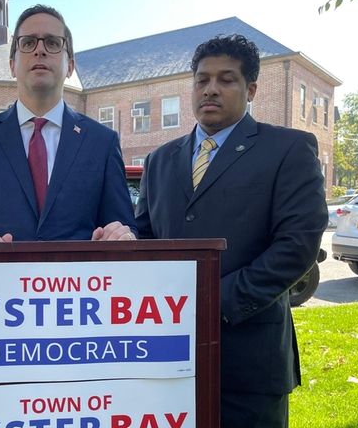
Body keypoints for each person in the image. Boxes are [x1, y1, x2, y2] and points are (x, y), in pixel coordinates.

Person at [135, 34, 326, 427]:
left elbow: (297, 245)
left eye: (226, 79)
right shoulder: (159, 160)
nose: (211, 89)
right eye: (202, 80)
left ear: (251, 88)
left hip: (250, 362)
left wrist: (210, 302)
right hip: (167, 357)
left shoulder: (288, 149)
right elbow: (145, 239)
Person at [0, 4, 136, 243]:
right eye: (28, 42)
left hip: (76, 280)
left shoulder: (102, 142)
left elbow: (124, 227)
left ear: (70, 66)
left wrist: (120, 236)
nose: (40, 50)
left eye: (52, 43)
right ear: (11, 64)